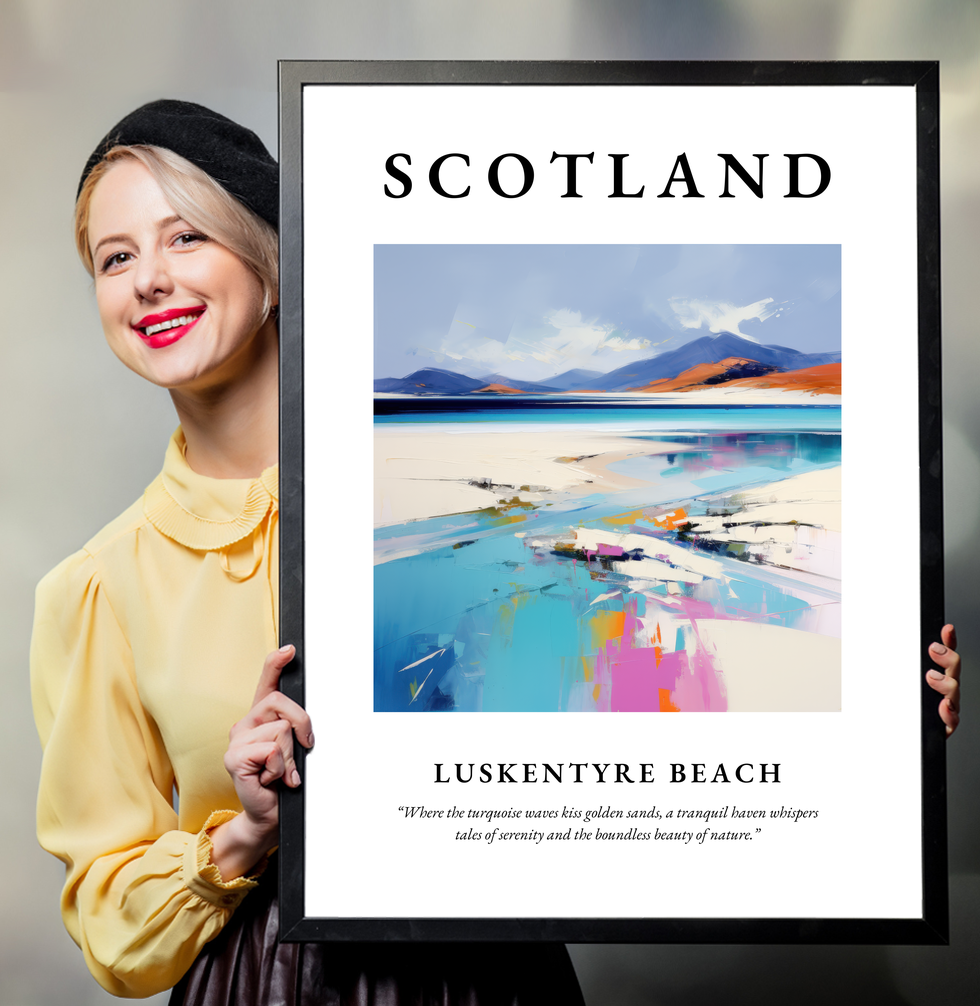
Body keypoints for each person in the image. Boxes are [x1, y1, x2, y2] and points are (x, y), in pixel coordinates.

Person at [30, 100, 586, 1004]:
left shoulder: (455, 493)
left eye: (185, 238)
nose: (148, 281)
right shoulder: (97, 587)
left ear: (273, 263)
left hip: (491, 973)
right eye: (116, 257)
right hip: (262, 982)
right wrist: (245, 832)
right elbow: (110, 923)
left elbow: (618, 693)